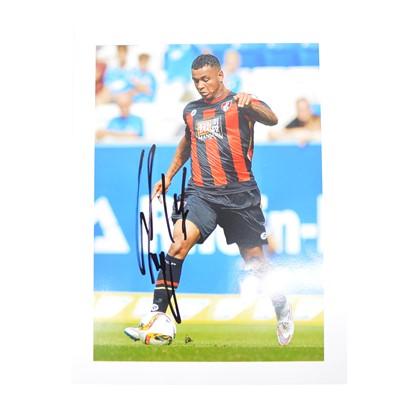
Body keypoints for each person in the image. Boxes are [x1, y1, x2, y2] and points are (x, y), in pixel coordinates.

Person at [124, 54, 294, 346]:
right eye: (196, 81)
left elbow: (272, 118)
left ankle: (281, 306)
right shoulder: (191, 111)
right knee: (178, 244)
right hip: (201, 193)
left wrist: (251, 104)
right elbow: (186, 143)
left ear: (220, 76)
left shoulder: (240, 103)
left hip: (240, 196)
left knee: (255, 261)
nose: (201, 85)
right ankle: (154, 315)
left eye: (205, 79)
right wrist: (169, 175)